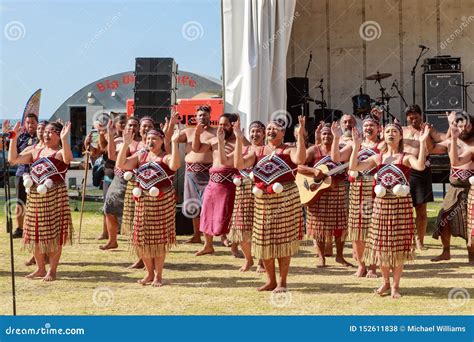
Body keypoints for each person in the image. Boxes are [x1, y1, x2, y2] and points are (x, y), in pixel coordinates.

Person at [349, 122, 430, 298]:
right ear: (383, 136)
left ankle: (395, 285)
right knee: (381, 246)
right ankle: (385, 282)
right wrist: (356, 146)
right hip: (381, 205)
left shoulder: (406, 157)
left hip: (401, 206)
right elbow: (354, 167)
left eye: (394, 131)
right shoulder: (378, 158)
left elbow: (421, 166)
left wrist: (423, 143)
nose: (390, 134)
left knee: (398, 246)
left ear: (400, 136)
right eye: (387, 131)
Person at [234, 116, 306, 292]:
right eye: (269, 128)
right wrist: (237, 138)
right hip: (264, 201)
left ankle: (282, 282)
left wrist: (301, 136)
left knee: (282, 241)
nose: (271, 131)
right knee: (264, 240)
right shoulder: (258, 151)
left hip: (285, 200)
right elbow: (238, 164)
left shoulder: (288, 150)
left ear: (282, 133)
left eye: (276, 129)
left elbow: (300, 160)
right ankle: (270, 280)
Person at [8, 121, 73, 281]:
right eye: (46, 131)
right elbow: (13, 160)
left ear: (59, 135)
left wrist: (65, 140)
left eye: (52, 131)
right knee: (34, 233)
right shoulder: (35, 151)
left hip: (55, 195)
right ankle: (40, 268)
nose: (47, 134)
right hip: (36, 196)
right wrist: (13, 138)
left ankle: (52, 270)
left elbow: (68, 159)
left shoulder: (59, 152)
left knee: (54, 234)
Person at [116, 128, 181, 286]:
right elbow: (121, 164)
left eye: (154, 139)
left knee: (158, 240)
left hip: (161, 203)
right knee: (141, 239)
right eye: (148, 138)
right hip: (143, 202)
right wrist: (125, 144)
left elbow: (175, 165)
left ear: (161, 141)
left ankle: (158, 275)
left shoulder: (165, 157)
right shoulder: (141, 155)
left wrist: (173, 142)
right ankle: (149, 273)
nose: (150, 141)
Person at [333, 115, 381, 277]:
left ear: (378, 129)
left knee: (373, 229)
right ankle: (361, 265)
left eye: (371, 125)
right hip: (356, 188)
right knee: (356, 229)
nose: (368, 128)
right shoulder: (354, 144)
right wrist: (336, 138)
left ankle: (373, 266)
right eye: (366, 125)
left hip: (375, 189)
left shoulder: (383, 146)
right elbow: (336, 158)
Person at [299, 124, 352, 268]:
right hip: (317, 192)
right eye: (324, 134)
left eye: (329, 134)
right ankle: (321, 258)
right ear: (320, 136)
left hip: (337, 191)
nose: (326, 136)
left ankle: (340, 257)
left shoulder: (341, 150)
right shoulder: (313, 150)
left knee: (340, 225)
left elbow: (347, 169)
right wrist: (313, 171)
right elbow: (299, 166)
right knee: (318, 227)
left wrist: (337, 180)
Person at [402, 105, 452, 249]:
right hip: (403, 170)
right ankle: (407, 239)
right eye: (410, 118)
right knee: (404, 209)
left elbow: (446, 138)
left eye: (416, 117)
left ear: (420, 116)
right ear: (406, 118)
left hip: (421, 171)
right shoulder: (402, 130)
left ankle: (420, 241)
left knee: (421, 209)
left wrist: (450, 123)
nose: (413, 120)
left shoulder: (428, 129)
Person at [192, 113, 241, 256]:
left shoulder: (238, 141)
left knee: (230, 216)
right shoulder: (213, 140)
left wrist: (239, 135)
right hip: (213, 182)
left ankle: (234, 247)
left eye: (225, 124)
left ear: (232, 125)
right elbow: (197, 149)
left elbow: (249, 150)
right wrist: (197, 134)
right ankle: (208, 246)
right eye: (219, 124)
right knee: (207, 213)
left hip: (229, 183)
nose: (221, 127)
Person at [168, 105, 217, 244]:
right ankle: (196, 235)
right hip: (191, 173)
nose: (202, 117)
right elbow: (172, 139)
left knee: (209, 206)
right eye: (200, 115)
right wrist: (172, 125)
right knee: (193, 206)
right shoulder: (188, 132)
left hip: (209, 172)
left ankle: (212, 238)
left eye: (205, 115)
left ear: (210, 116)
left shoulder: (215, 132)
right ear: (196, 117)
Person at [430, 112, 474, 263]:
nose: (463, 129)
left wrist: (453, 138)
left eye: (466, 126)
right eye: (460, 126)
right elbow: (432, 149)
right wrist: (424, 138)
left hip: (471, 190)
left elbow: (456, 162)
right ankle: (446, 252)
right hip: (454, 187)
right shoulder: (451, 142)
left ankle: (472, 255)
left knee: (471, 222)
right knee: (444, 217)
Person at [229, 121, 266, 271]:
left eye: (258, 131)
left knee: (262, 228)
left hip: (262, 192)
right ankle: (248, 259)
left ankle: (262, 261)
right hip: (243, 191)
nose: (254, 134)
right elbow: (226, 161)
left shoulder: (267, 150)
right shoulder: (243, 149)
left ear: (263, 134)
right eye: (252, 131)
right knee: (241, 227)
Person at [5, 114, 39, 238]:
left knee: (36, 203)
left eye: (33, 123)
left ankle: (36, 228)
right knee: (20, 202)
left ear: (37, 123)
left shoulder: (41, 137)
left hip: (37, 174)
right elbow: (9, 150)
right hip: (22, 173)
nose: (30, 125)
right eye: (28, 123)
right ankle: (20, 228)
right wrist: (7, 135)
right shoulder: (20, 137)